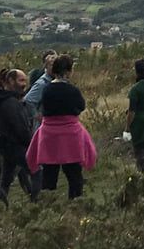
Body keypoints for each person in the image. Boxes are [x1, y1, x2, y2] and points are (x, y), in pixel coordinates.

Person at [27, 54, 97, 199]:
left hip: (49, 134)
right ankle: (75, 204)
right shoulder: (72, 90)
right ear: (68, 71)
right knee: (74, 175)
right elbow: (81, 106)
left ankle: (48, 206)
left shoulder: (46, 89)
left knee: (49, 175)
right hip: (71, 135)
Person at [0, 68, 37, 203]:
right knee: (36, 171)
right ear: (10, 81)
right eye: (21, 80)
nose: (24, 84)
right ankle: (37, 201)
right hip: (16, 146)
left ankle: (0, 204)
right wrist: (30, 142)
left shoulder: (4, 99)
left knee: (5, 178)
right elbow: (20, 127)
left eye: (25, 81)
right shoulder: (10, 102)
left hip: (7, 146)